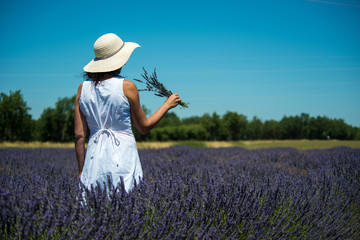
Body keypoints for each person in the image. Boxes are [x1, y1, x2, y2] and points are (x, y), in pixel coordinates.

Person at [74, 33, 181, 193]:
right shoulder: (127, 87)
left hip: (93, 158)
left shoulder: (82, 89)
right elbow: (144, 127)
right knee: (126, 205)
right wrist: (167, 105)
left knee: (93, 208)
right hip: (123, 155)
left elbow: (79, 135)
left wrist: (82, 170)